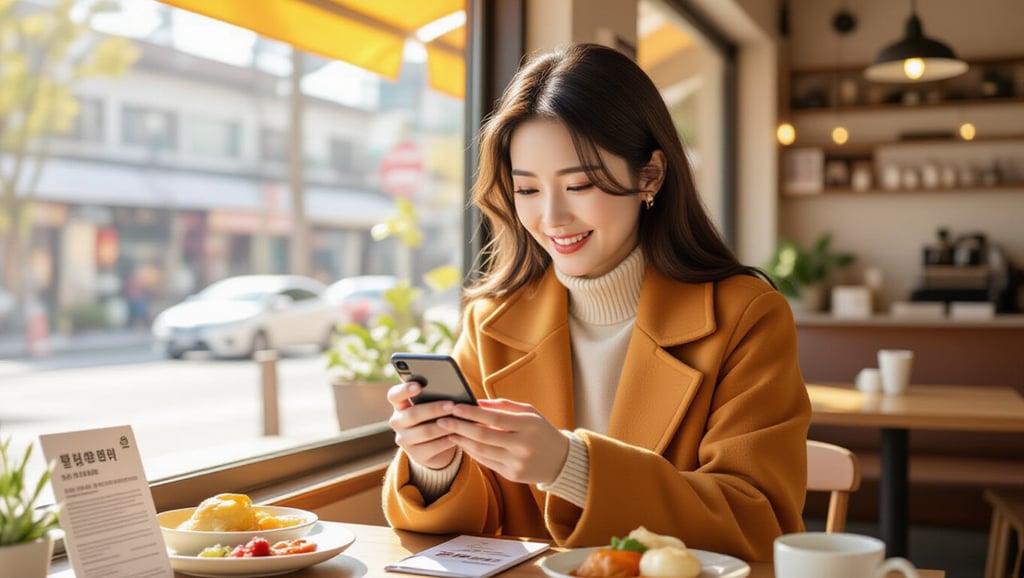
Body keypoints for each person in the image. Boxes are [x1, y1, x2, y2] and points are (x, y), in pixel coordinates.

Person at [382, 42, 810, 562]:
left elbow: (758, 520)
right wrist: (436, 465)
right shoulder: (491, 320)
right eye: (528, 190)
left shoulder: (745, 315)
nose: (552, 218)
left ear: (649, 175)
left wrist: (570, 465)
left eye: (579, 184)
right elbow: (477, 520)